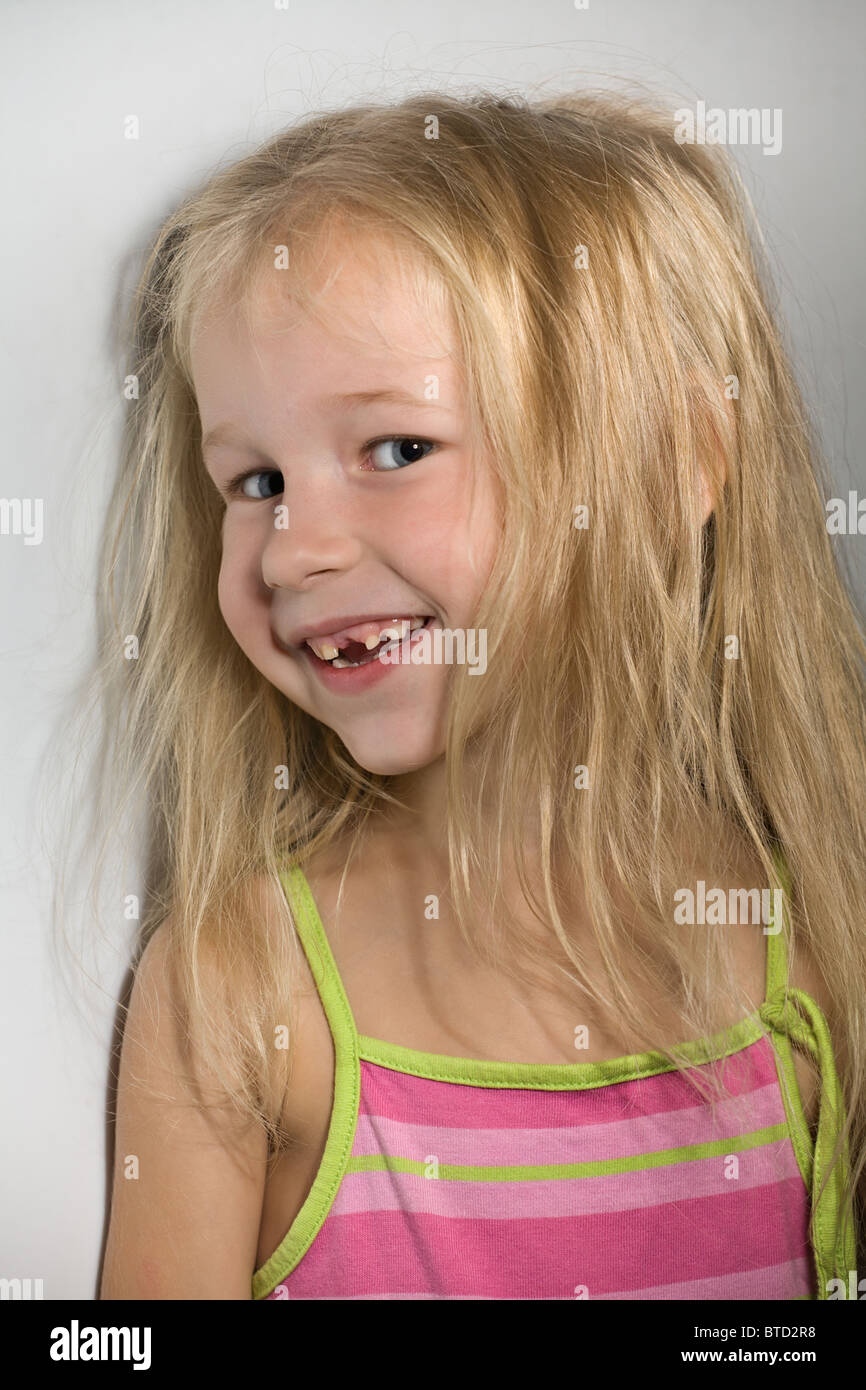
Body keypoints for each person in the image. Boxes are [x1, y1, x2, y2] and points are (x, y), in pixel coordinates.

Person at [97, 89, 866, 1300]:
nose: (291, 549)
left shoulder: (817, 940)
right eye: (254, 478)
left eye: (395, 450)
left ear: (669, 467)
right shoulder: (238, 986)